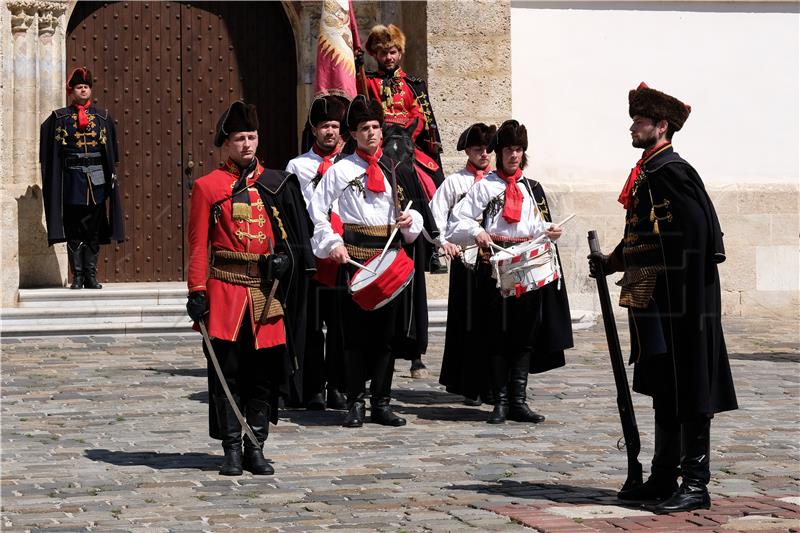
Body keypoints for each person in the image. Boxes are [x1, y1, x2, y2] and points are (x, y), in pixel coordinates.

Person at [588, 82, 737, 513]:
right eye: (634, 120)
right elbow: (643, 235)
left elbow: (695, 236)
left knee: (690, 386)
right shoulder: (649, 172)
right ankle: (661, 475)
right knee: (665, 387)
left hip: (682, 301)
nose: (632, 128)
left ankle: (695, 482)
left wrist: (681, 295)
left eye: (640, 121)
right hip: (655, 297)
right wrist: (613, 261)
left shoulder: (671, 171)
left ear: (661, 126)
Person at [186, 100, 314, 476]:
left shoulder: (276, 184)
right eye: (240, 138)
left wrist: (284, 261)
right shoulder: (208, 187)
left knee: (262, 375)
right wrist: (197, 290)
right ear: (226, 143)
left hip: (265, 293)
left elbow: (295, 241)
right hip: (225, 291)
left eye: (252, 137)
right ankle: (230, 448)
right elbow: (198, 244)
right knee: (229, 373)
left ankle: (255, 445)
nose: (247, 144)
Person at [308, 95, 435, 428]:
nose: (372, 133)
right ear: (353, 134)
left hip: (389, 259)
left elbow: (413, 211)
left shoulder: (396, 168)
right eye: (365, 128)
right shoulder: (340, 171)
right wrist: (332, 242)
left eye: (376, 127)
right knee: (353, 338)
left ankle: (382, 402)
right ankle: (354, 403)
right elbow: (318, 212)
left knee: (386, 338)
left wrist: (411, 222)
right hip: (354, 258)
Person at [447, 119, 574, 424]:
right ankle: (500, 401)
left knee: (524, 335)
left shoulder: (532, 189)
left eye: (518, 149)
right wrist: (475, 232)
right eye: (509, 149)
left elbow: (536, 226)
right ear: (499, 152)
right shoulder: (485, 188)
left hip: (526, 269)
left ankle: (518, 400)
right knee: (497, 335)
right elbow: (458, 222)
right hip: (494, 267)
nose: (514, 155)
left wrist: (549, 231)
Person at [285, 95, 348, 411]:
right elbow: (294, 212)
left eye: (335, 126)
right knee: (311, 327)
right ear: (313, 130)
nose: (330, 132)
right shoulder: (298, 166)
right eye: (324, 126)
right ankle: (313, 387)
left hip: (344, 255)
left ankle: (339, 385)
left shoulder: (351, 165)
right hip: (311, 254)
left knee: (340, 327)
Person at [40, 66, 124, 289]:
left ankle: (91, 276)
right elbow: (47, 149)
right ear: (72, 91)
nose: (84, 90)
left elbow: (112, 153)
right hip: (72, 184)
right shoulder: (60, 118)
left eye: (86, 86)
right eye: (79, 87)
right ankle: (77, 276)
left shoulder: (102, 117)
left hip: (97, 184)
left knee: (94, 230)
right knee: (75, 229)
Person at [434, 123, 497, 406]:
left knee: (492, 323)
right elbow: (437, 214)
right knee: (467, 321)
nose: (483, 154)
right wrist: (443, 242)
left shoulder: (497, 181)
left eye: (487, 149)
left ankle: (494, 383)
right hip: (466, 256)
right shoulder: (455, 183)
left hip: (494, 258)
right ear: (467, 152)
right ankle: (467, 382)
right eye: (477, 149)